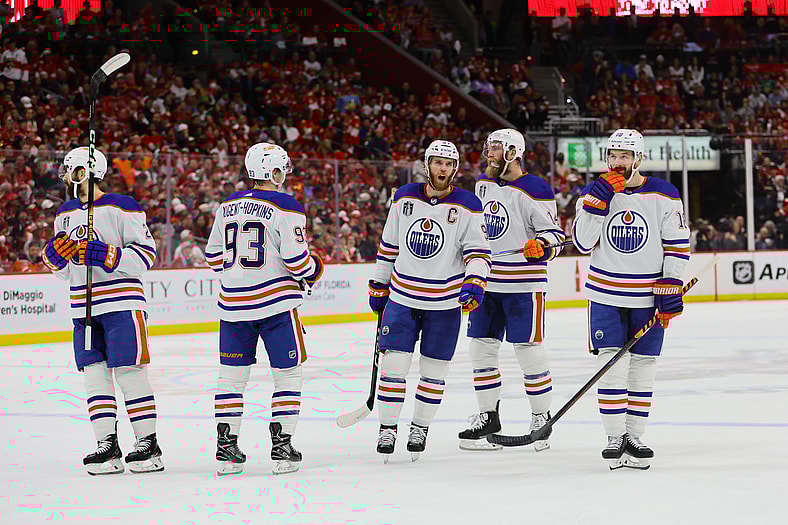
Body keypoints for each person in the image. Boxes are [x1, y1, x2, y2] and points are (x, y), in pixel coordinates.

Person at [572, 129, 690, 470]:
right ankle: (614, 437)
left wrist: (672, 283)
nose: (617, 162)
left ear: (639, 158)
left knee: (643, 367)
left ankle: (634, 436)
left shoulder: (664, 194)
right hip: (605, 294)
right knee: (611, 365)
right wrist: (597, 205)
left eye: (624, 156)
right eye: (613, 155)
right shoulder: (593, 192)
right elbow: (582, 243)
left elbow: (677, 245)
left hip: (648, 296)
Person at [204, 143, 324, 476]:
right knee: (288, 374)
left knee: (231, 379)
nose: (285, 175)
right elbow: (297, 262)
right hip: (275, 306)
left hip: (233, 306)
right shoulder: (286, 205)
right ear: (274, 171)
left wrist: (240, 273)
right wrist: (315, 268)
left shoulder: (227, 205)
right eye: (282, 169)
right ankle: (282, 447)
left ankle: (226, 450)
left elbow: (213, 257)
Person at [368, 139, 491, 462]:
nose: (443, 169)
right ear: (427, 165)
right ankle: (387, 428)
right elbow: (389, 246)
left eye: (448, 164)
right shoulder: (404, 197)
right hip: (403, 298)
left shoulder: (468, 204)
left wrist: (475, 280)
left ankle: (419, 428)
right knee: (393, 368)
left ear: (455, 168)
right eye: (437, 162)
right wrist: (379, 284)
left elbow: (478, 252)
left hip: (444, 303)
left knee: (434, 372)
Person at [42, 147, 162, 475]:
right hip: (83, 308)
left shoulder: (122, 206)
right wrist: (54, 259)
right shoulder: (64, 213)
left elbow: (146, 255)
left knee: (129, 372)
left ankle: (148, 443)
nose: (65, 176)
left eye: (69, 169)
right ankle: (106, 445)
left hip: (122, 305)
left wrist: (110, 255)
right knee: (94, 375)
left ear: (83, 171)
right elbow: (64, 272)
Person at [458, 128, 565, 452]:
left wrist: (542, 245)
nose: (489, 153)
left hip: (524, 284)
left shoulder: (535, 188)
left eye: (495, 148)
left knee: (528, 350)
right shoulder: (483, 184)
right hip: (488, 281)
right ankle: (488, 417)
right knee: (480, 348)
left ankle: (540, 417)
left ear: (512, 152)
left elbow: (555, 235)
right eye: (489, 147)